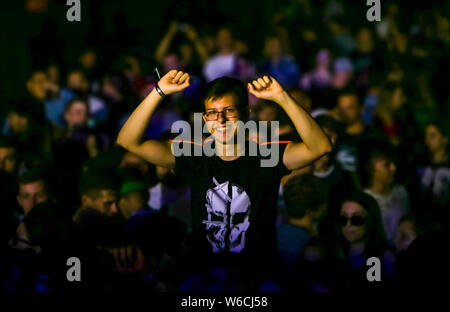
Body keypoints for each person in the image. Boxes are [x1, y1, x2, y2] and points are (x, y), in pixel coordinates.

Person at [116, 69, 332, 288]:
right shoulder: (195, 156)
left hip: (257, 280)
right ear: (205, 118)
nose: (220, 119)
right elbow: (128, 141)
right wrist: (159, 92)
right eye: (212, 112)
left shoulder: (266, 156)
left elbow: (320, 147)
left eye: (229, 111)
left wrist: (282, 98)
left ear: (246, 113)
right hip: (205, 278)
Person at [333, 191, 395, 290]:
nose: (348, 225)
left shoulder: (385, 258)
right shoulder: (332, 252)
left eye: (356, 219)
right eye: (343, 219)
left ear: (371, 220)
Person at [277, 174, 328, 272]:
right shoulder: (304, 243)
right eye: (325, 201)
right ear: (311, 212)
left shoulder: (277, 233)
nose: (327, 206)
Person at [361, 146, 411, 245]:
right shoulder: (363, 201)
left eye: (393, 163)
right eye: (387, 165)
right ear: (371, 169)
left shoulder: (401, 191)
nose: (393, 168)